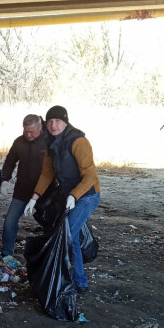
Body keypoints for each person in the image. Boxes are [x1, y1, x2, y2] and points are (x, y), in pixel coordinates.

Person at [23, 106, 101, 294]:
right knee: (67, 234)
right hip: (69, 195)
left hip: (87, 195)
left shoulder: (78, 142)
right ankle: (72, 277)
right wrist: (34, 198)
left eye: (58, 121)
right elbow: (47, 174)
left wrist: (75, 195)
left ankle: (79, 282)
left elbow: (90, 175)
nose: (53, 125)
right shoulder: (52, 144)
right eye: (50, 121)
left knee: (69, 236)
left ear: (66, 122)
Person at [0, 114, 50, 256]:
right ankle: (6, 253)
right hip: (22, 190)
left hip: (46, 192)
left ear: (40, 128)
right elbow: (10, 162)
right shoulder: (19, 142)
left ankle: (49, 254)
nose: (28, 134)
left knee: (49, 224)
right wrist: (5, 180)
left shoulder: (49, 142)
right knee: (9, 222)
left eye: (32, 132)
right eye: (25, 131)